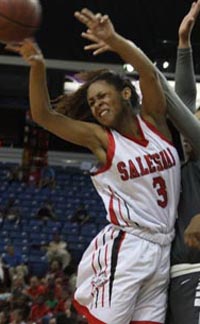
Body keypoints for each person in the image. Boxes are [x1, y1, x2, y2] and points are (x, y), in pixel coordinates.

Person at [6, 7, 200, 323]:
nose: (96, 105)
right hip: (129, 247)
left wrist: (114, 40)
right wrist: (37, 66)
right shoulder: (101, 139)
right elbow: (45, 116)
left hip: (163, 253)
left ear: (126, 93)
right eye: (92, 102)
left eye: (102, 96)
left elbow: (149, 73)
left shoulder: (154, 123)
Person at [164, 2, 200, 324]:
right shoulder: (180, 158)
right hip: (169, 274)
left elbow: (181, 106)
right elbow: (185, 105)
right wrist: (183, 43)